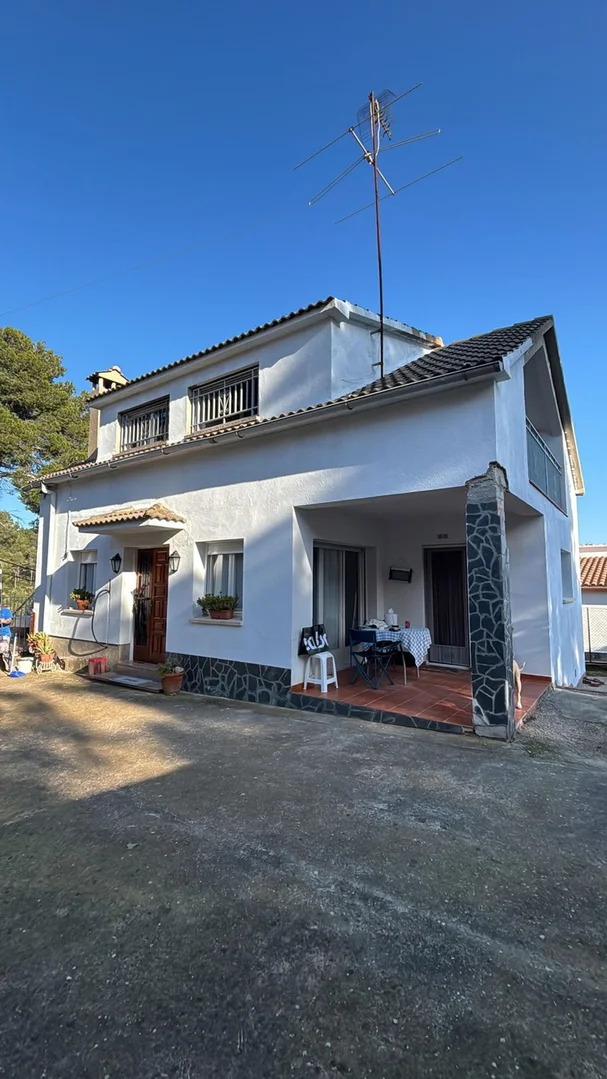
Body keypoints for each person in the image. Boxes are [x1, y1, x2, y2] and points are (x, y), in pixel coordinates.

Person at [0, 603, 13, 670]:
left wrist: (4, 621)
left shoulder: (5, 611)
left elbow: (10, 620)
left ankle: (11, 667)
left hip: (4, 634)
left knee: (5, 652)